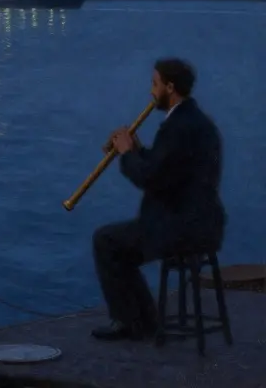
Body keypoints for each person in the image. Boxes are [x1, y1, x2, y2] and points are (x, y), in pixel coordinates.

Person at [90, 57, 226, 341]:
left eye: (155, 84)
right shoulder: (197, 122)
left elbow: (150, 179)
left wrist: (127, 153)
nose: (151, 91)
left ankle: (133, 323)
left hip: (179, 228)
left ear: (170, 87)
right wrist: (139, 149)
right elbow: (167, 170)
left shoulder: (176, 127)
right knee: (120, 245)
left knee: (106, 241)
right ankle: (143, 322)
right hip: (203, 225)